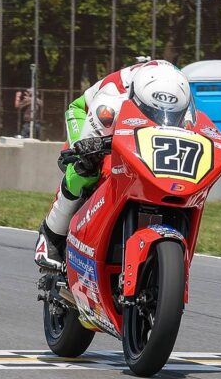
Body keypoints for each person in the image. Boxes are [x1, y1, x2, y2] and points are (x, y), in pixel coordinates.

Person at [34, 60, 193, 269]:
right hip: (88, 115)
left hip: (145, 128)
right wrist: (89, 148)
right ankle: (51, 235)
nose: (159, 117)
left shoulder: (182, 102)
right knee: (86, 168)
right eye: (151, 112)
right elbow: (89, 142)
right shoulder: (110, 102)